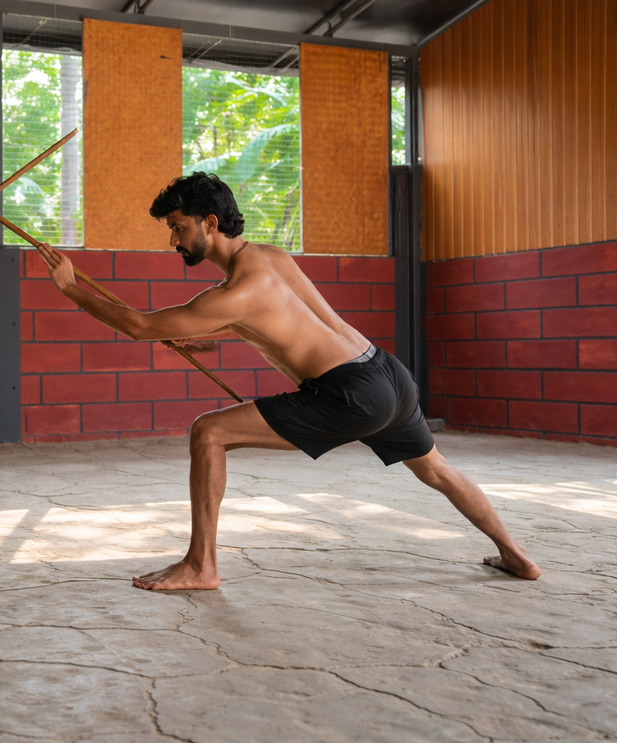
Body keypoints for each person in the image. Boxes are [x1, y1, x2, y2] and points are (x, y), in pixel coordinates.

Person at [36, 172, 540, 591]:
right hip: (386, 372)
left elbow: (141, 326)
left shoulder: (232, 293)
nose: (173, 239)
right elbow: (280, 321)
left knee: (207, 432)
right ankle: (517, 556)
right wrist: (209, 339)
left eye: (177, 227)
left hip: (349, 394)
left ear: (209, 224)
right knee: (438, 470)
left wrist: (72, 290)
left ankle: (201, 565)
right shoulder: (269, 258)